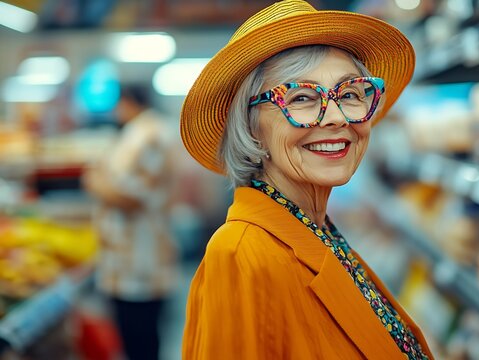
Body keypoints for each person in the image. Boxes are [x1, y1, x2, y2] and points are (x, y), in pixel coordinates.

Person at [180, 0, 434, 358]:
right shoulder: (242, 254)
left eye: (349, 93)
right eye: (301, 97)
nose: (335, 117)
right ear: (251, 129)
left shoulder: (314, 230)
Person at [83, 84, 177, 360]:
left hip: (140, 257)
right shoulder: (141, 132)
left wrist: (94, 182)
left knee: (140, 336)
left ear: (127, 101)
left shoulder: (149, 135)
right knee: (133, 335)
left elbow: (132, 197)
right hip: (130, 256)